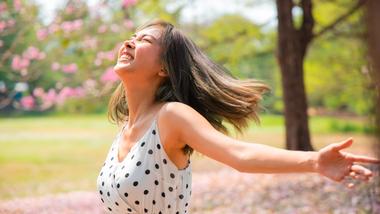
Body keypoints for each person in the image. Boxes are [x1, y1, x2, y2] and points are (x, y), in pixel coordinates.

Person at [96, 19, 380, 214]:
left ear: (165, 69)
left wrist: (314, 161)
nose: (129, 42)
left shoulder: (171, 117)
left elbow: (238, 154)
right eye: (132, 37)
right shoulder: (124, 129)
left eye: (144, 39)